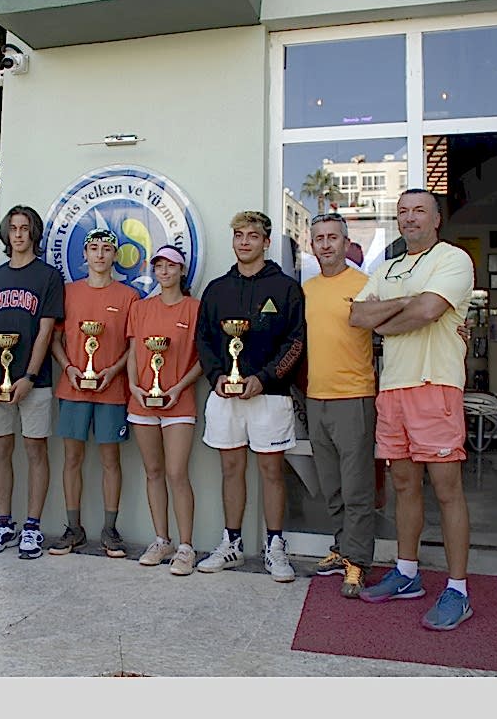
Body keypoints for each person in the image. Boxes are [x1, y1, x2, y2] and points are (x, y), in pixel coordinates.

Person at [349, 188, 475, 631]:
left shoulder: (452, 259)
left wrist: (388, 318)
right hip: (393, 389)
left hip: (434, 384)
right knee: (403, 485)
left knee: (447, 489)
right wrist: (405, 304)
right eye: (403, 212)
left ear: (436, 219)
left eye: (419, 210)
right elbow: (358, 317)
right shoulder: (387, 268)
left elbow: (429, 310)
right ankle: (407, 574)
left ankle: (458, 590)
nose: (410, 218)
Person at [195, 210, 305, 582]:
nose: (244, 242)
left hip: (269, 396)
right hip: (225, 396)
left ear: (266, 242)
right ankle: (232, 543)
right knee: (231, 470)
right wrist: (216, 377)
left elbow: (296, 343)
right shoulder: (217, 289)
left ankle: (275, 546)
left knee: (271, 471)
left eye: (252, 236)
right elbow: (203, 340)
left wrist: (265, 377)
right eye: (239, 235)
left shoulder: (286, 288)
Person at [0, 205, 64, 559]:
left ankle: (32, 526)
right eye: (13, 228)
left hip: (35, 382)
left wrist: (29, 375)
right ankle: (3, 522)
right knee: (1, 450)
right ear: (6, 234)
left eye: (24, 228)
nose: (18, 234)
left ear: (34, 233)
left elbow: (46, 331)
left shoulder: (48, 277)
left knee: (35, 450)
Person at [48, 227, 139, 558]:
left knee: (110, 459)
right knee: (72, 458)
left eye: (106, 249)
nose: (100, 254)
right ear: (84, 254)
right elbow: (55, 339)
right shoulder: (68, 293)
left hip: (112, 390)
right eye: (94, 248)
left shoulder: (129, 297)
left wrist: (113, 372)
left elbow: (134, 346)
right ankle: (74, 528)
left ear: (115, 255)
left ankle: (109, 530)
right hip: (73, 388)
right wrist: (69, 368)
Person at [303, 212, 377, 598]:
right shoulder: (306, 290)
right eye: (320, 238)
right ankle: (342, 547)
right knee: (331, 486)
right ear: (311, 245)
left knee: (356, 488)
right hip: (316, 398)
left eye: (333, 237)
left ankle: (358, 561)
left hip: (354, 397)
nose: (326, 244)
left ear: (346, 244)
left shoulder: (365, 286)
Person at [125, 245, 204, 575]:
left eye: (171, 266)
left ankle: (186, 547)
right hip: (142, 401)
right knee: (153, 471)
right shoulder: (141, 308)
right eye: (159, 266)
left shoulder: (195, 308)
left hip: (178, 401)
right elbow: (133, 352)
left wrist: (178, 387)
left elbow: (202, 359)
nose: (165, 272)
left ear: (181, 270)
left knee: (176, 473)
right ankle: (162, 540)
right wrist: (133, 386)